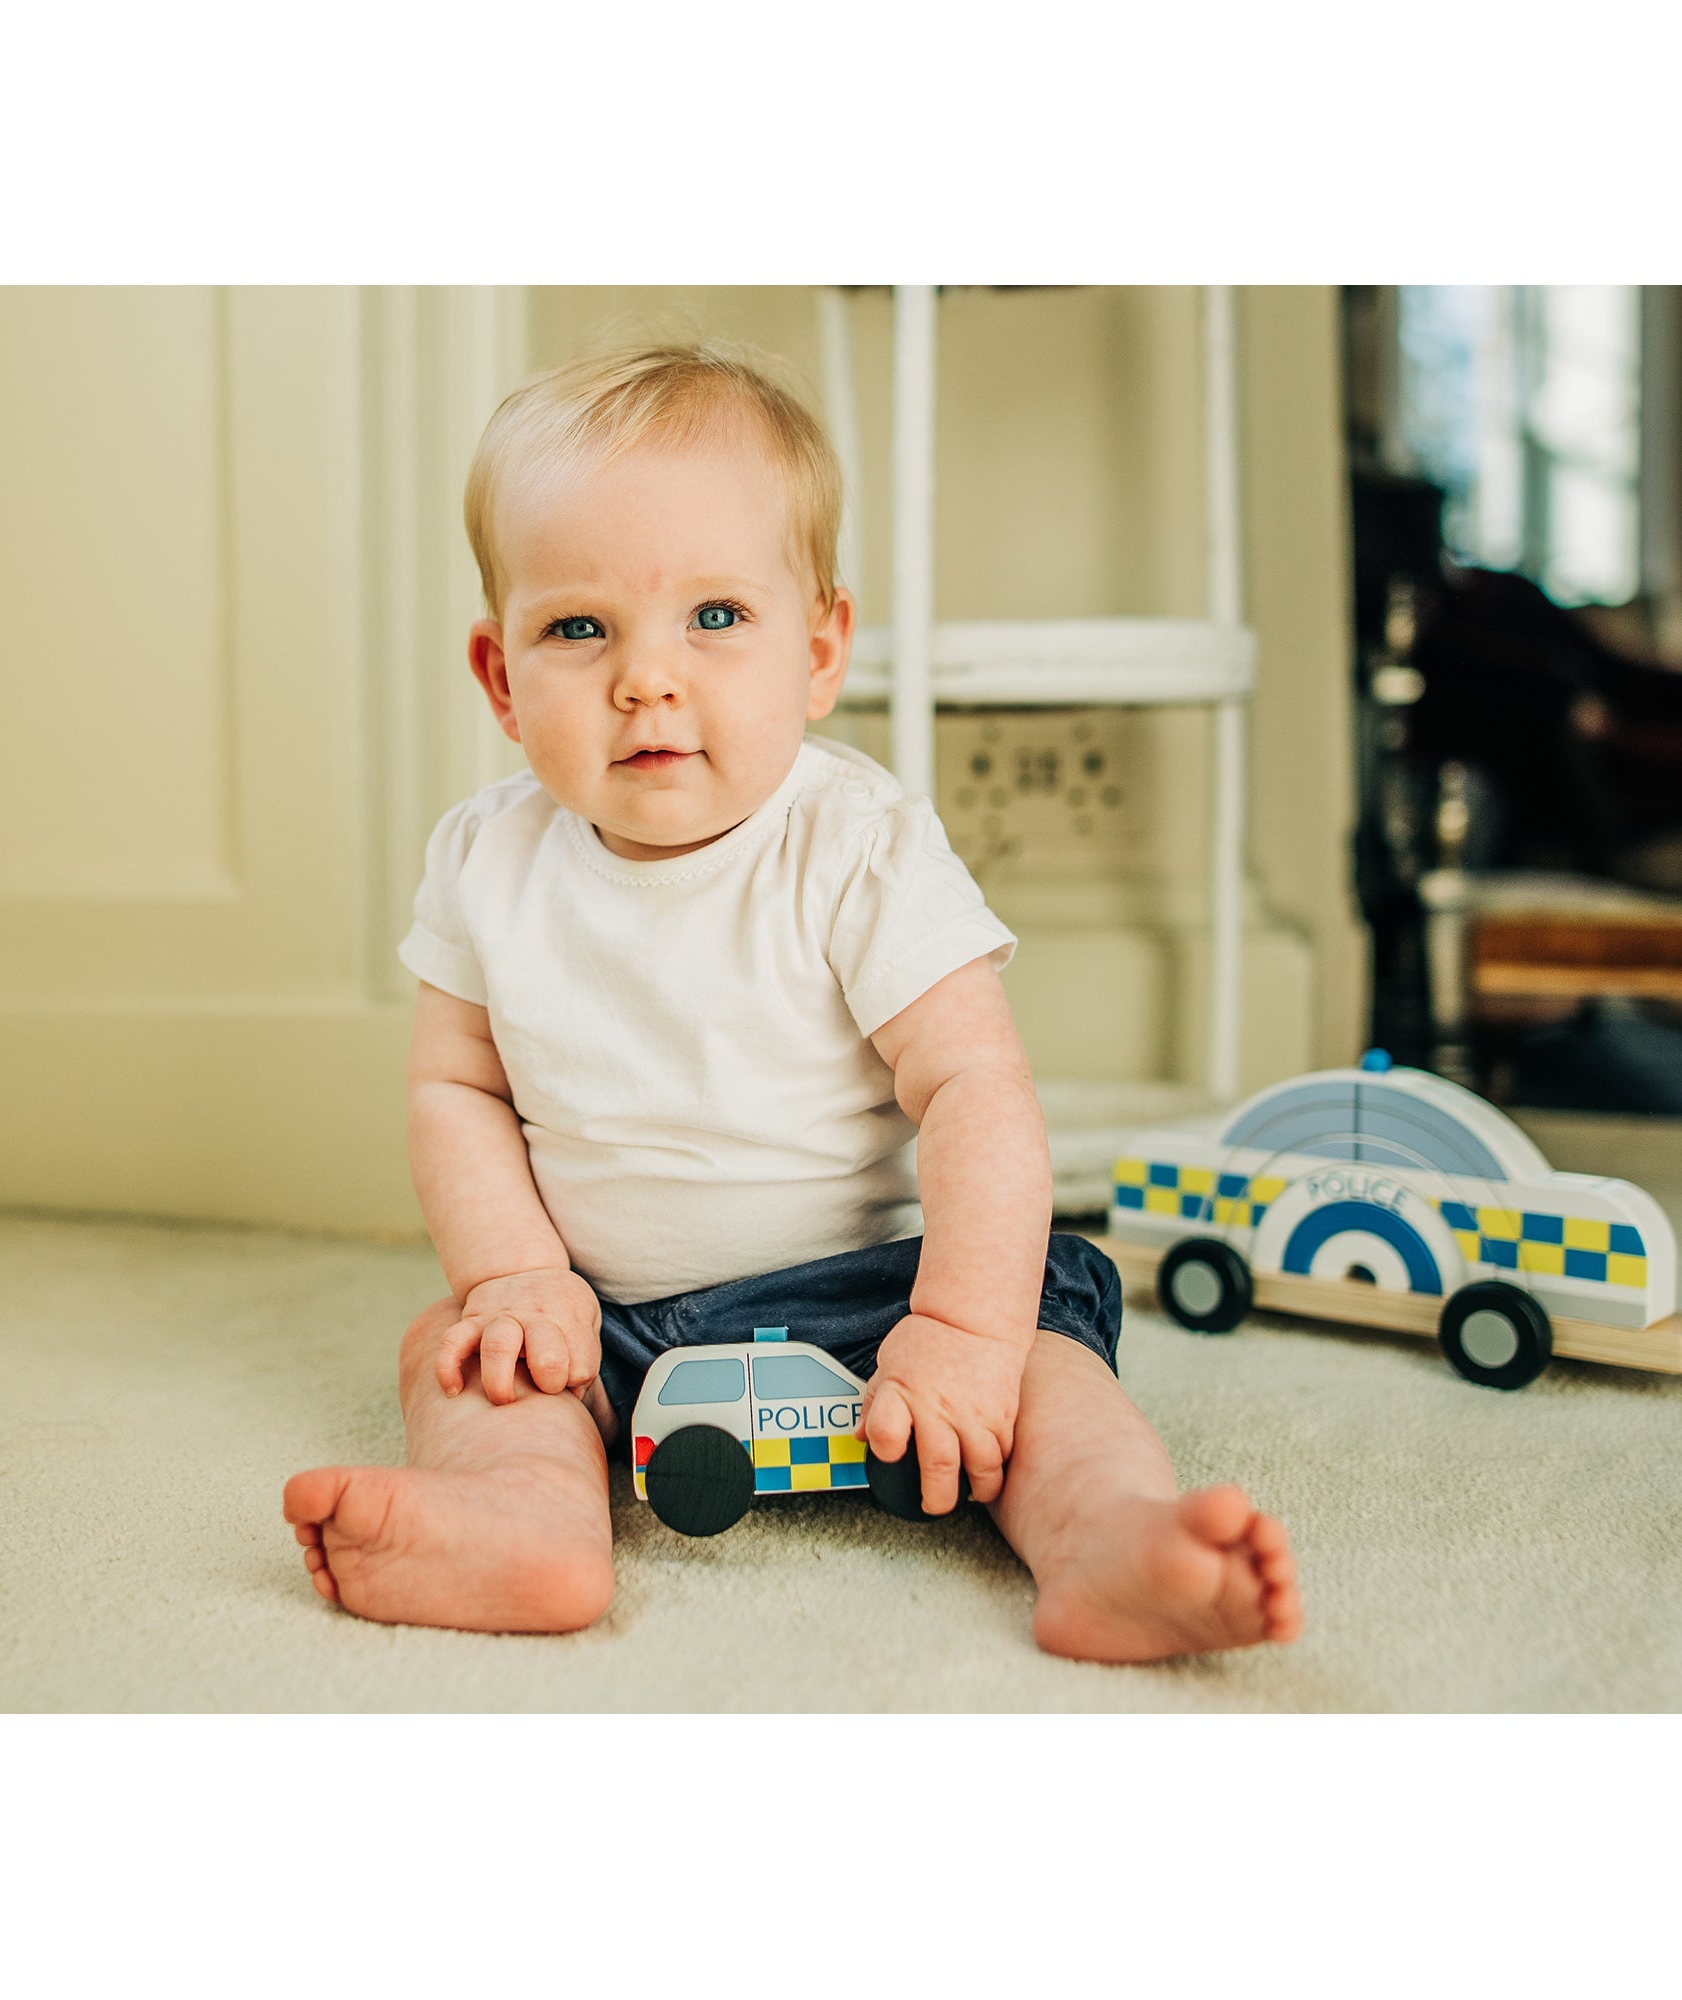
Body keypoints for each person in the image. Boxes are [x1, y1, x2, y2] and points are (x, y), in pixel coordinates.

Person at [284, 341, 1302, 1660]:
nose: (648, 678)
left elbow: (975, 1089)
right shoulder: (488, 861)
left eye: (715, 618)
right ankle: (525, 1523)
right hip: (607, 1316)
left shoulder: (856, 843)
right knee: (462, 1355)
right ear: (498, 676)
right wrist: (516, 1275)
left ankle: (1109, 1539)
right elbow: (455, 1088)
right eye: (579, 628)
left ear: (819, 652)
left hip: (885, 1296)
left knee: (1047, 1373)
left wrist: (961, 1329)